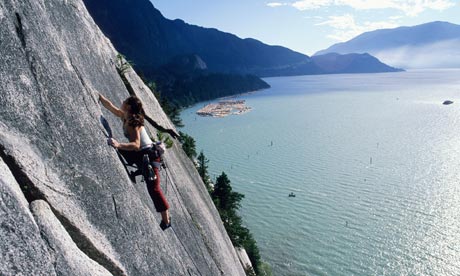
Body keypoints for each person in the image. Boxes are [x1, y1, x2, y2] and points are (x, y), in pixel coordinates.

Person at [99, 94, 171, 230]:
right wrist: (99, 97)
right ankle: (137, 172)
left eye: (125, 101)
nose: (122, 101)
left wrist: (119, 144)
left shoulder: (134, 122)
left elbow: (137, 144)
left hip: (148, 156)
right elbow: (111, 107)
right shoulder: (125, 116)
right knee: (152, 187)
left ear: (129, 106)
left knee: (154, 189)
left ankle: (166, 221)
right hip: (141, 155)